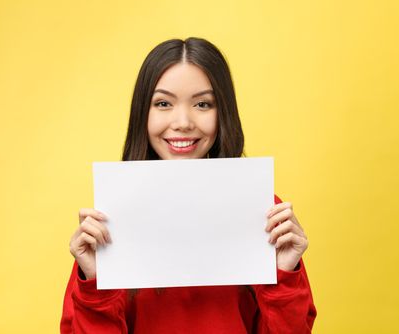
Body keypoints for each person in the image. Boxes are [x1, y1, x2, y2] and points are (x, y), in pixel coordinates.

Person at [60, 37, 317, 333]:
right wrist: (95, 282)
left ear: (223, 114)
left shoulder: (263, 210)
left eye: (203, 104)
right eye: (163, 103)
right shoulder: (108, 218)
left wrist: (284, 274)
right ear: (143, 113)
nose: (182, 121)